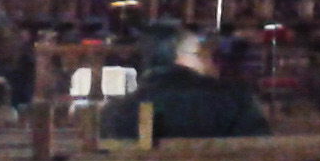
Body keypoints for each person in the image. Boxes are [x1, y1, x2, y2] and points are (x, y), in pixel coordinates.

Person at [99, 23, 271, 139]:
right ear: (181, 57)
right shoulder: (234, 100)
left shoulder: (117, 110)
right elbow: (261, 149)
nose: (209, 61)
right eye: (202, 53)